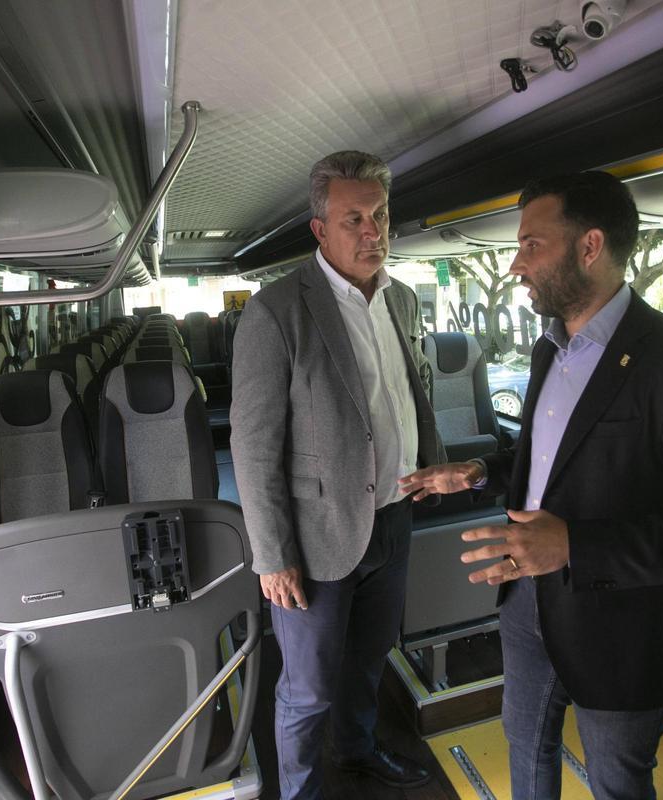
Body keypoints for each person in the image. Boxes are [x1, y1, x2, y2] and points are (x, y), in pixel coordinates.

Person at [399, 171, 663, 800]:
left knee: (616, 780)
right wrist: (483, 473)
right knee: (525, 747)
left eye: (531, 245)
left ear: (589, 247)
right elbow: (548, 467)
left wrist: (575, 548)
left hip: (624, 631)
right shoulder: (551, 350)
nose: (515, 265)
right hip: (527, 606)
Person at [230, 150, 443, 799]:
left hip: (393, 520)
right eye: (354, 218)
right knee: (309, 685)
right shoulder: (277, 313)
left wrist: (431, 468)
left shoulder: (403, 301)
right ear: (320, 229)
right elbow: (254, 444)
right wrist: (272, 555)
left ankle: (358, 751)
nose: (373, 230)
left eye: (379, 214)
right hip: (317, 535)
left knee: (370, 662)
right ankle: (299, 790)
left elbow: (408, 396)